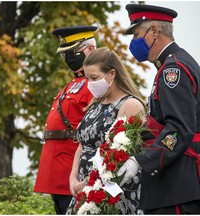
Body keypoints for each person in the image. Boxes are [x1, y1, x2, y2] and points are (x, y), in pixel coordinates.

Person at [117, 3, 200, 214]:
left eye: (136, 34)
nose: (133, 42)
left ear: (154, 31)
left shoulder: (173, 70)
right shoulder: (173, 64)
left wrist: (142, 160)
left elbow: (179, 128)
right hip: (177, 180)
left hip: (180, 181)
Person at [67, 47, 146, 214]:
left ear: (112, 74)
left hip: (113, 192)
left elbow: (123, 154)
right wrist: (73, 179)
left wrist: (89, 183)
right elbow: (82, 145)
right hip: (85, 190)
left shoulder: (130, 105)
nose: (90, 84)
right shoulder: (95, 104)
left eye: (94, 78)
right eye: (88, 78)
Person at [34, 26, 97, 214]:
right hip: (58, 167)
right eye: (65, 54)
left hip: (72, 167)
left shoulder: (94, 84)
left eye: (72, 52)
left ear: (90, 50)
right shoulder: (74, 83)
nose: (68, 58)